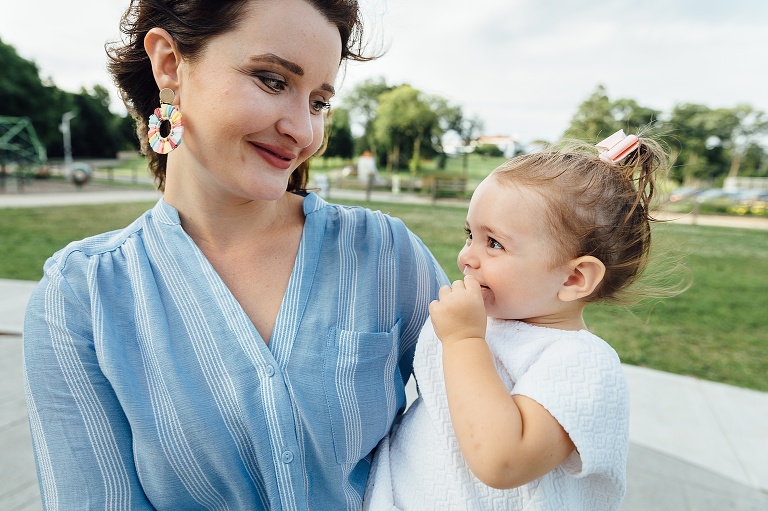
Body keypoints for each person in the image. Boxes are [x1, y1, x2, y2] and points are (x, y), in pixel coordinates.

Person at [23, 1, 447, 509]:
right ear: (169, 64)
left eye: (318, 101)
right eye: (271, 80)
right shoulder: (82, 299)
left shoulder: (385, 254)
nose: (304, 131)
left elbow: (500, 416)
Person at [364, 131, 676, 510]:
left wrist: (463, 341)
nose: (466, 258)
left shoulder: (583, 364)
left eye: (493, 243)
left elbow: (502, 461)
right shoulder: (488, 324)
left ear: (573, 278)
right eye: (469, 235)